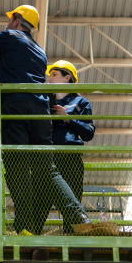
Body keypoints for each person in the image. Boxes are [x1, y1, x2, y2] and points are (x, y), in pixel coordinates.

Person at [0, 6, 93, 235]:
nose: (7, 24)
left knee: (17, 167)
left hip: (16, 110)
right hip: (40, 113)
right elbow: (12, 80)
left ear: (17, 20)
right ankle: (79, 216)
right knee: (48, 171)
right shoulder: (39, 52)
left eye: (10, 19)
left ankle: (25, 229)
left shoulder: (10, 36)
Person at [46, 60, 96, 233]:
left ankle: (72, 236)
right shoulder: (44, 101)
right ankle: (31, 234)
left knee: (72, 199)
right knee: (40, 198)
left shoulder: (80, 102)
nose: (50, 78)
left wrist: (68, 119)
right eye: (49, 75)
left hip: (70, 156)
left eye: (54, 74)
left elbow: (88, 133)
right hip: (47, 157)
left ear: (67, 77)